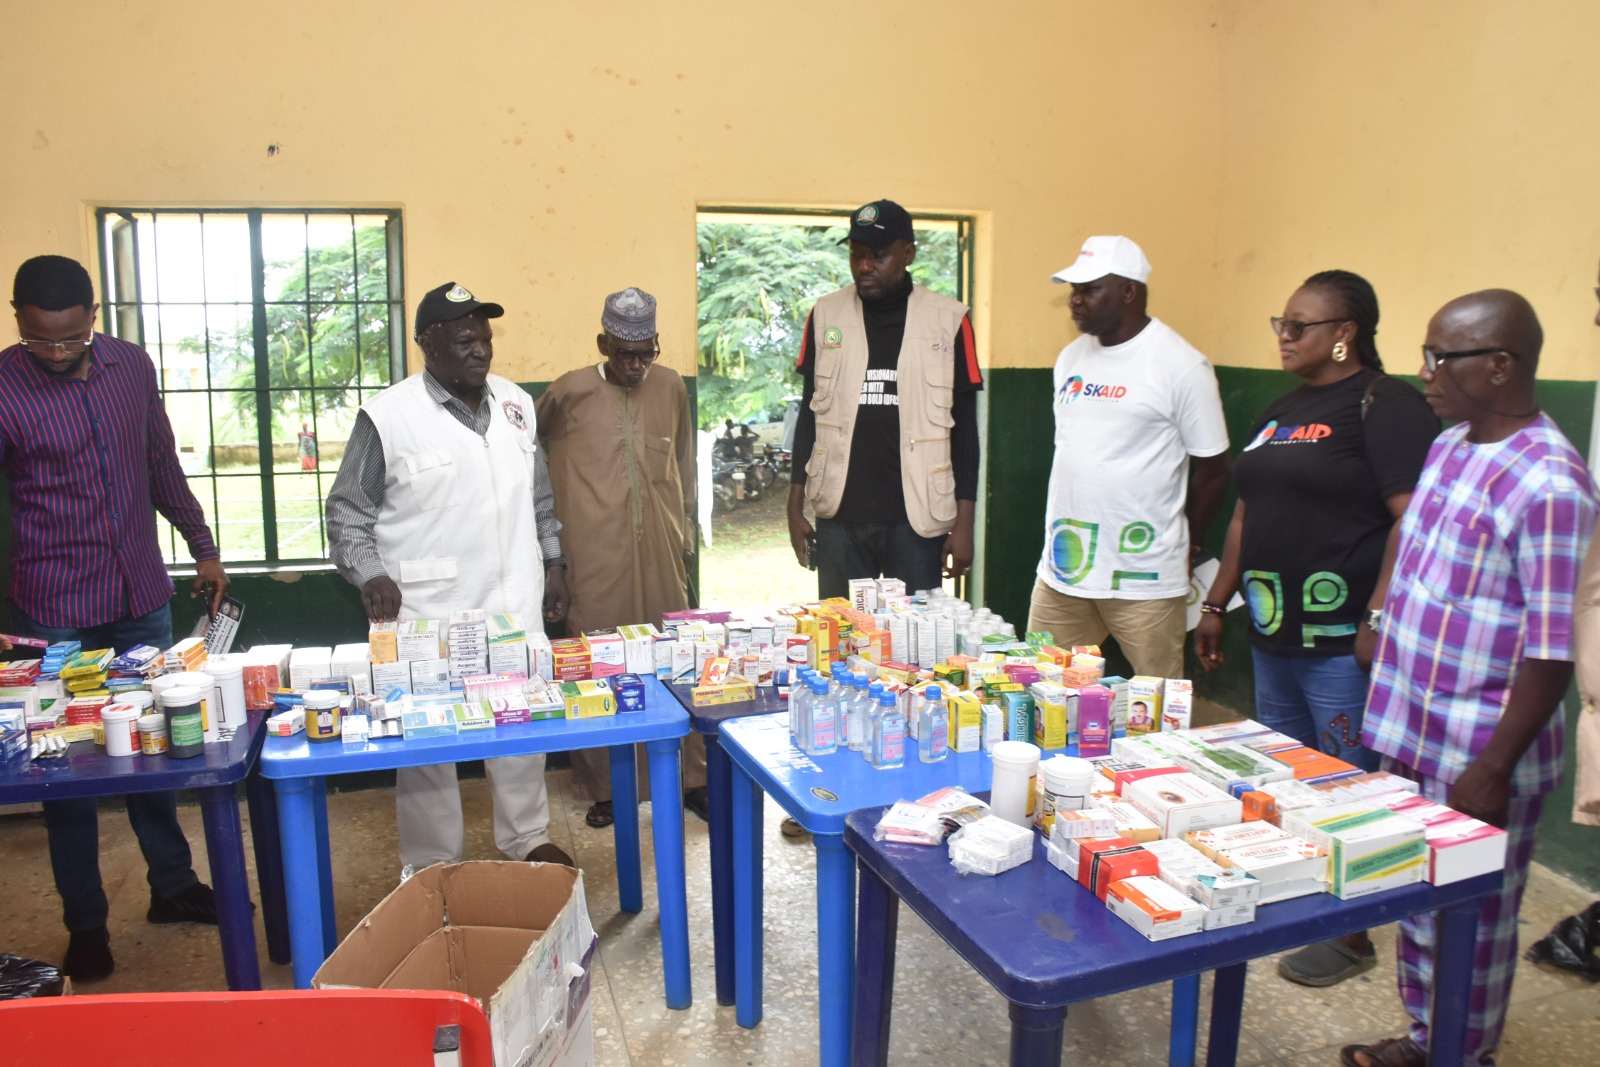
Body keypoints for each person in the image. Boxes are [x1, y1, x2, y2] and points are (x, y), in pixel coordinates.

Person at [1342, 290, 1598, 1067]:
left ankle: (1464, 1053)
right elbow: (1412, 544)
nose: (1424, 372)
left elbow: (1552, 649)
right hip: (1413, 726)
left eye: (1439, 357)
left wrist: (1493, 766)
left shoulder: (1551, 484)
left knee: (1477, 918)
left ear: (1499, 366)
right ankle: (1429, 1038)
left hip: (1479, 747)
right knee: (1419, 896)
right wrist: (1378, 616)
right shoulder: (1452, 443)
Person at [1194, 270, 1439, 988]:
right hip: (1273, 634)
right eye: (1281, 323)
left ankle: (1352, 931)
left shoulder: (1384, 405)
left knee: (1346, 785)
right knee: (1287, 779)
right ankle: (1303, 897)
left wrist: (1377, 615)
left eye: (1299, 325)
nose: (1284, 335)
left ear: (1345, 334)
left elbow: (1413, 520)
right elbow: (1245, 514)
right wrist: (1216, 603)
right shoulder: (1280, 410)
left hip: (1341, 643)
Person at [0, 254, 231, 982]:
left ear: (94, 318)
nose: (58, 353)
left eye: (72, 338)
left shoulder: (130, 367)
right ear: (18, 320)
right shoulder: (3, 387)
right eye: (42, 340)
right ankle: (86, 923)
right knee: (63, 768)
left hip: (140, 596)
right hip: (55, 608)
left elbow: (160, 461)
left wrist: (203, 547)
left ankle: (173, 884)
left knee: (158, 747)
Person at [327, 280, 573, 872]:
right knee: (425, 739)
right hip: (427, 611)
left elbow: (539, 498)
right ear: (427, 344)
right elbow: (347, 511)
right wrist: (369, 574)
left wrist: (555, 562)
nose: (480, 349)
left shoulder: (516, 404)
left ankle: (526, 836)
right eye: (465, 341)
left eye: (485, 338)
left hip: (514, 600)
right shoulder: (388, 417)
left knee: (520, 720)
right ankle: (432, 860)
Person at [535, 287, 705, 829]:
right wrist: (551, 552)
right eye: (625, 354)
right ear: (603, 343)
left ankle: (690, 778)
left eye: (646, 353)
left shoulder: (671, 386)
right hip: (591, 552)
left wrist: (685, 536)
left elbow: (683, 461)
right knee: (597, 663)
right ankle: (608, 787)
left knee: (673, 658)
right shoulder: (568, 392)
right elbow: (531, 459)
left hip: (662, 549)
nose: (636, 366)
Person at [1029, 236, 1230, 679]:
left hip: (1144, 576)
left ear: (1128, 291)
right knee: (1039, 685)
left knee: (1157, 703)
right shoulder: (1070, 358)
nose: (1075, 300)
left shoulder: (1181, 365)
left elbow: (1215, 470)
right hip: (1064, 571)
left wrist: (1190, 543)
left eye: (1090, 289)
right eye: (1074, 289)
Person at [786, 199, 983, 599]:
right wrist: (793, 506)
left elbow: (965, 430)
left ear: (907, 254)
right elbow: (809, 416)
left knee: (916, 635)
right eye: (856, 254)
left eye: (878, 256)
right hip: (840, 517)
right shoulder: (825, 315)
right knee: (840, 631)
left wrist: (965, 523)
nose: (864, 266)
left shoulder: (950, 321)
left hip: (917, 521)